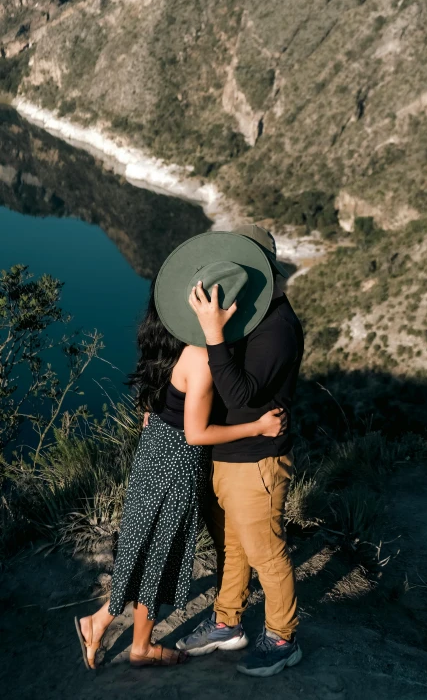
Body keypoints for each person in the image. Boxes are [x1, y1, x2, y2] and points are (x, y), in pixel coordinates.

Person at [74, 234, 287, 670]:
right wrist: (259, 425)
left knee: (144, 546)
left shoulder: (167, 338)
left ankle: (114, 631)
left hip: (154, 453)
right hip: (176, 462)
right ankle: (127, 639)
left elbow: (163, 402)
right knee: (161, 551)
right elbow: (196, 433)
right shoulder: (202, 356)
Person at [177, 224, 304, 678]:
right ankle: (226, 622)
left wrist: (214, 335)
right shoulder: (246, 316)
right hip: (231, 455)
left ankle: (282, 638)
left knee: (266, 551)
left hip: (258, 461)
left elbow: (240, 396)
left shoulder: (277, 326)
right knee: (233, 546)